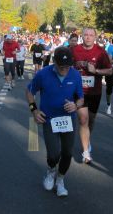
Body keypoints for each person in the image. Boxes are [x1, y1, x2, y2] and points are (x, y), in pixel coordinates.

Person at [26, 46, 84, 197]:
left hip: (68, 120)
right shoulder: (43, 74)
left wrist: (75, 105)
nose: (64, 70)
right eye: (61, 66)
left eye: (67, 66)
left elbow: (81, 98)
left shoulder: (76, 75)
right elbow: (29, 91)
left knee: (67, 153)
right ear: (54, 62)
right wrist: (34, 110)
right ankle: (51, 170)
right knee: (53, 154)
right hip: (49, 119)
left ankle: (60, 179)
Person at [71, 27, 112, 163]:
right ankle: (86, 152)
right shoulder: (74, 50)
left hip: (95, 92)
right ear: (82, 36)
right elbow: (64, 66)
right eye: (86, 35)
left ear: (95, 37)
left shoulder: (101, 52)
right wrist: (73, 68)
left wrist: (96, 70)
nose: (88, 37)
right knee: (83, 120)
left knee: (91, 121)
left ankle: (86, 140)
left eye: (91, 35)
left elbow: (110, 71)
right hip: (79, 91)